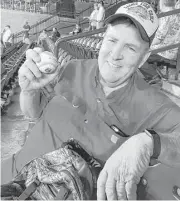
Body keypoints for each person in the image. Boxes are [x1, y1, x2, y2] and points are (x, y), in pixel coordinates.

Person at [2, 2, 180, 200]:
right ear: (103, 40)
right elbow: (33, 113)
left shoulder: (151, 103)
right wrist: (28, 91)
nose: (115, 54)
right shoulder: (73, 67)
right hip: (12, 173)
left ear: (143, 57)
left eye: (130, 48)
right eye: (112, 40)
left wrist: (148, 142)